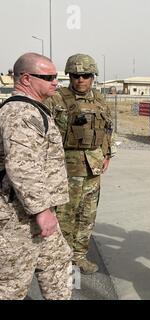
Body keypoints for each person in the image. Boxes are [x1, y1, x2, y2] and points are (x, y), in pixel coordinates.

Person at [0, 52, 72, 299]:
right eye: (49, 76)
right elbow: (22, 166)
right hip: (17, 217)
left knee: (58, 263)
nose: (55, 81)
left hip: (34, 211)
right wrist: (42, 211)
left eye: (56, 76)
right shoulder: (20, 113)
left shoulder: (33, 109)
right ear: (26, 79)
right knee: (12, 284)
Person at [44, 53, 114, 274]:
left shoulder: (100, 100)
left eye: (85, 75)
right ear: (70, 76)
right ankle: (61, 260)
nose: (80, 80)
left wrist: (107, 154)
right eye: (75, 75)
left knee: (87, 215)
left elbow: (108, 128)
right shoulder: (56, 99)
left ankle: (79, 256)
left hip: (92, 167)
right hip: (66, 167)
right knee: (64, 216)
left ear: (93, 76)